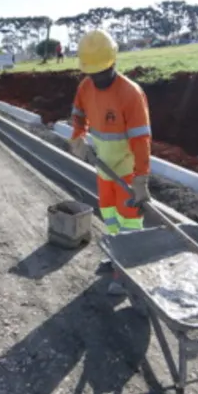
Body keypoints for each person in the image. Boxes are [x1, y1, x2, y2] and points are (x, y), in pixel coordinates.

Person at [67, 29, 152, 295]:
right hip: (104, 169)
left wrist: (141, 179)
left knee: (130, 225)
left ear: (113, 62)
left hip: (126, 172)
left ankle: (128, 273)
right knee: (111, 218)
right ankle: (117, 258)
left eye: (101, 72)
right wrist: (78, 135)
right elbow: (78, 113)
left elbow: (141, 139)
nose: (97, 78)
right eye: (92, 73)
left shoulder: (130, 93)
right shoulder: (86, 87)